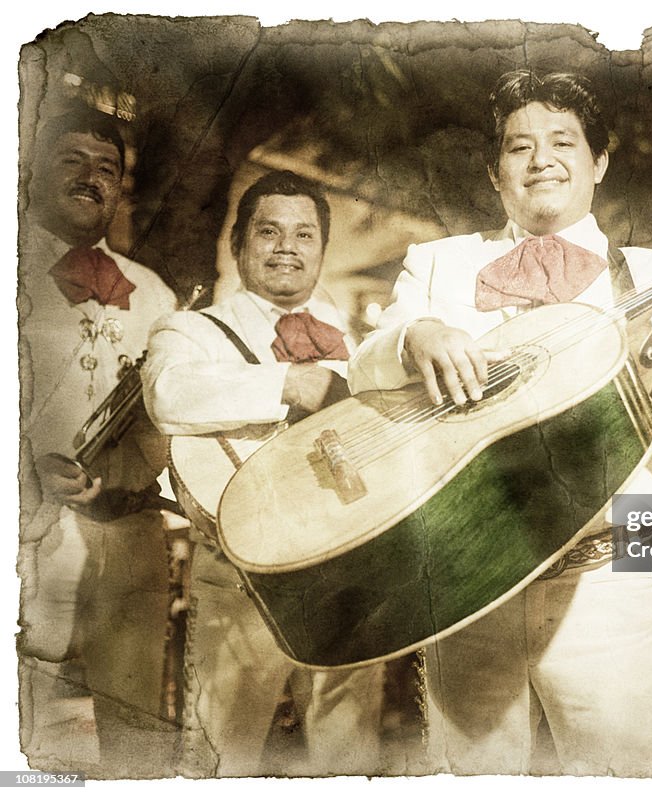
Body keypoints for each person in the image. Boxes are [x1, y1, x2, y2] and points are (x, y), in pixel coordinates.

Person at [346, 70, 652, 776]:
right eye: (519, 146)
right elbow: (363, 373)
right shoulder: (439, 264)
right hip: (466, 581)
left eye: (564, 141)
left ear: (600, 161)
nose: (541, 160)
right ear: (495, 173)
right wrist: (415, 337)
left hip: (607, 584)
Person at [142, 170, 384, 777]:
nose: (286, 247)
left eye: (304, 235)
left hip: (348, 566)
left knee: (349, 754)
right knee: (223, 751)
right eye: (269, 231)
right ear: (238, 244)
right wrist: (287, 382)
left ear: (322, 250)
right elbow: (168, 394)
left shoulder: (360, 338)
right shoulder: (191, 330)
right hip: (239, 572)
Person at [18, 107, 178, 776]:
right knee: (21, 723)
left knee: (135, 730)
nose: (91, 178)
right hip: (30, 536)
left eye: (107, 169)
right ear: (33, 170)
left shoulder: (157, 295)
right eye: (72, 161)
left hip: (133, 536)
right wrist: (25, 476)